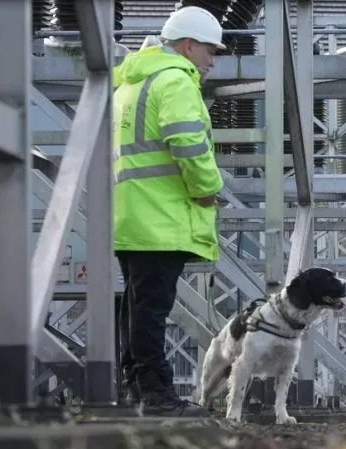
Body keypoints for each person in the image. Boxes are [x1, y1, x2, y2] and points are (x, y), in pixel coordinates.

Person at [112, 6, 225, 417]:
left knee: (137, 308)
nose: (212, 60)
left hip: (133, 215)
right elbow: (188, 143)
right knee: (151, 310)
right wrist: (209, 189)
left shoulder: (130, 85)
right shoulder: (175, 81)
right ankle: (156, 396)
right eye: (210, 51)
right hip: (162, 216)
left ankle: (139, 391)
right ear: (189, 45)